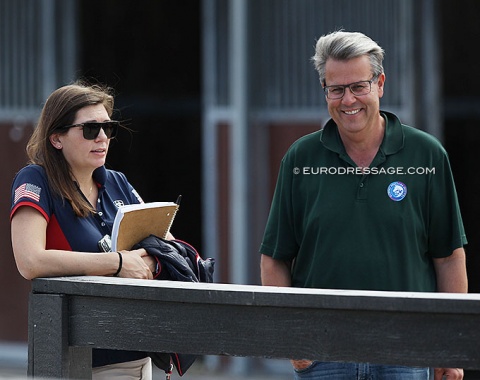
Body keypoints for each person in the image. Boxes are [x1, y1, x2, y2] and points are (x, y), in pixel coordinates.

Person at [259, 31, 467, 380]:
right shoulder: (300, 159)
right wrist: (292, 339)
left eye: (358, 86)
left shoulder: (427, 155)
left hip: (408, 350)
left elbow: (448, 256)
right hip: (324, 355)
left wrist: (450, 347)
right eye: (336, 89)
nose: (348, 100)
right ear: (324, 89)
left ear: (380, 83)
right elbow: (275, 258)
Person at [10, 81, 166, 379]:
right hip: (76, 357)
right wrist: (118, 263)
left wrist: (143, 261)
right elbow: (29, 261)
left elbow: (164, 243)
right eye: (91, 129)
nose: (103, 137)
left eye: (109, 128)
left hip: (136, 349)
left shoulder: (117, 181)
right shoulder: (35, 179)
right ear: (56, 138)